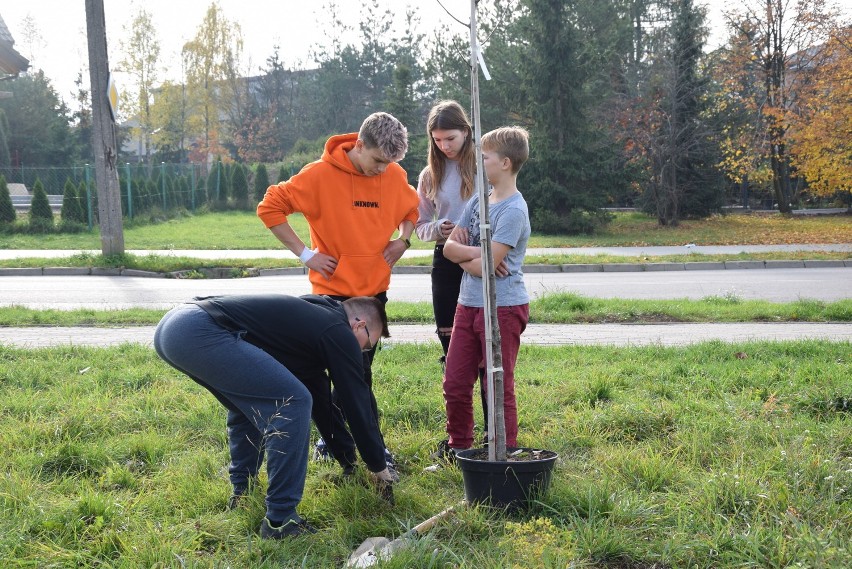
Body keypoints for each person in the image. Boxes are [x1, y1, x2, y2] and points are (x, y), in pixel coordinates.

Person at [153, 294, 398, 539]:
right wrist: (378, 465)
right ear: (359, 325)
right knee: (294, 402)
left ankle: (243, 493)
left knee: (251, 405)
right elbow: (357, 402)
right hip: (200, 329)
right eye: (367, 345)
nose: (362, 352)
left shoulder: (317, 324)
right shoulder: (338, 330)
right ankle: (280, 521)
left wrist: (349, 463)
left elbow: (325, 408)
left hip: (176, 326)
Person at [257, 112, 419, 470]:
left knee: (357, 376)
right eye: (377, 160)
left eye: (389, 163)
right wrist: (306, 254)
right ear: (359, 145)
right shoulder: (318, 176)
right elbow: (270, 207)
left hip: (374, 297)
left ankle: (344, 445)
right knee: (340, 377)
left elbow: (412, 208)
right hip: (331, 301)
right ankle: (346, 445)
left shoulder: (393, 174)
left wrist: (403, 240)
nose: (382, 170)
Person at [437, 126, 532, 457]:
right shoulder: (479, 200)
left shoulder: (514, 210)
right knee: (455, 382)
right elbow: (449, 249)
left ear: (505, 163)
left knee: (498, 385)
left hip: (502, 307)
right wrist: (482, 255)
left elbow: (485, 268)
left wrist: (480, 259)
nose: (478, 162)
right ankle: (458, 448)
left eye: (484, 156)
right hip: (468, 303)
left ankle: (504, 452)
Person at [415, 101, 496, 443]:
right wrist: (439, 228)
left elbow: (502, 204)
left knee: (487, 347)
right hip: (445, 261)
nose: (444, 146)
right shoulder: (428, 174)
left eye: (450, 138)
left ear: (466, 131)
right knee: (452, 350)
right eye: (437, 140)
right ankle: (459, 435)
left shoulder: (484, 165)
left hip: (482, 256)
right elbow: (420, 226)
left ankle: (496, 431)